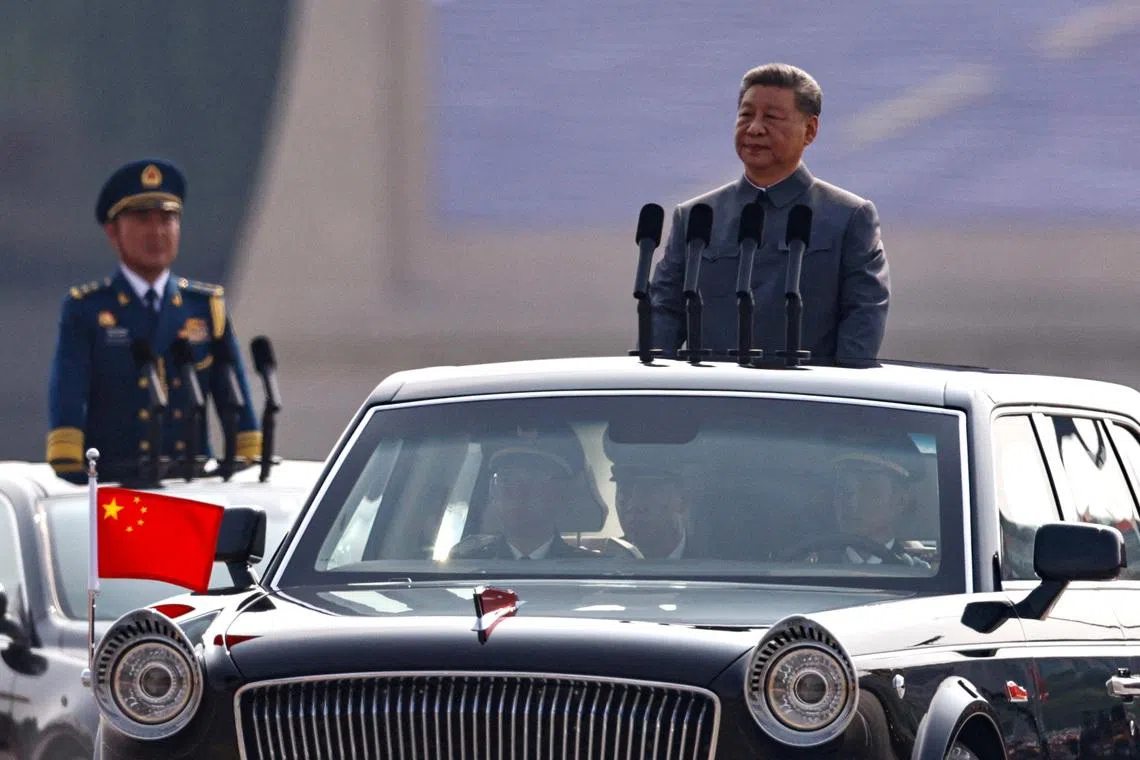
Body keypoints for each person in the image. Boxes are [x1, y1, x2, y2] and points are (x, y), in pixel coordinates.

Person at [649, 63, 889, 363]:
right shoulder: (696, 217)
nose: (754, 128)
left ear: (810, 130)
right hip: (712, 400)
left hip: (806, 401)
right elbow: (664, 314)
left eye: (772, 117)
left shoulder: (849, 217)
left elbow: (863, 317)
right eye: (746, 115)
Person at [46, 158, 261, 482]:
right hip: (117, 484)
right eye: (143, 220)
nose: (157, 231)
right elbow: (69, 390)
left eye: (168, 219)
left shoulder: (204, 307)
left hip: (193, 484)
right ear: (113, 232)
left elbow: (234, 395)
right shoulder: (88, 309)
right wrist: (69, 458)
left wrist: (247, 449)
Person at [448, 432, 598, 560]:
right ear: (493, 491)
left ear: (561, 493)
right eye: (506, 479)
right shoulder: (466, 563)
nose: (518, 492)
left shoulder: (592, 572)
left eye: (534, 479)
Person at [829, 449, 930, 568]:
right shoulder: (810, 567)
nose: (851, 501)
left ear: (900, 500)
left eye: (867, 485)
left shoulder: (917, 574)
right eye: (843, 487)